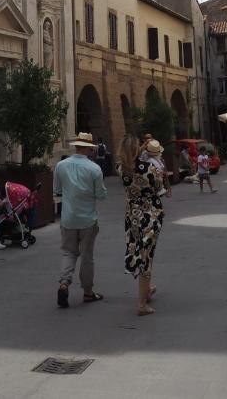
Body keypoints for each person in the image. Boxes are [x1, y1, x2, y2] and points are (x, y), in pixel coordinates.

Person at [54, 132, 107, 308]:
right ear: (89, 148)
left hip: (68, 217)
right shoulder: (94, 169)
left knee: (68, 252)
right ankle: (88, 292)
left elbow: (57, 190)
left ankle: (64, 283)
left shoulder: (61, 165)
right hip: (88, 219)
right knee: (86, 256)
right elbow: (101, 194)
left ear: (76, 145)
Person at [119, 134, 164, 316]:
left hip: (132, 216)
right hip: (150, 215)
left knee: (138, 250)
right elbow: (160, 190)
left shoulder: (121, 169)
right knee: (147, 255)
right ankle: (142, 304)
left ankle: (147, 288)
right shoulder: (150, 169)